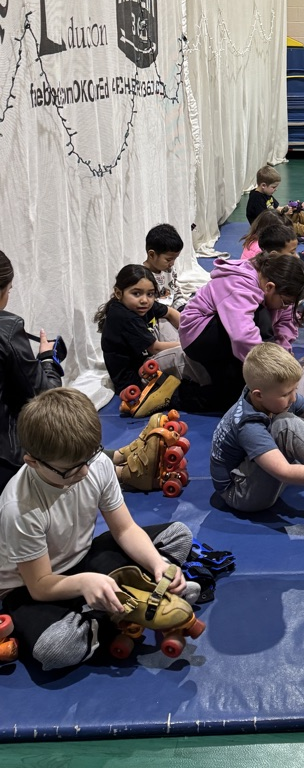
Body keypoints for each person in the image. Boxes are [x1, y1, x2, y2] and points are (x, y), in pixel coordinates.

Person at [0, 388, 195, 671]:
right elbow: (40, 585)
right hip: (30, 587)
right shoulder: (19, 507)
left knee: (178, 535)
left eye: (88, 459)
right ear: (33, 462)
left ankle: (118, 603)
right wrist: (85, 583)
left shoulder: (96, 463)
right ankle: (122, 610)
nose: (83, 473)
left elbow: (125, 529)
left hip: (82, 560)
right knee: (54, 649)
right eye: (69, 470)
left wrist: (157, 564)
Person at [210, 343, 304, 512]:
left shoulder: (267, 394)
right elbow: (284, 472)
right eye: (286, 394)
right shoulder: (248, 425)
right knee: (286, 424)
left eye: (295, 389)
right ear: (258, 395)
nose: (294, 398)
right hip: (240, 493)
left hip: (254, 471)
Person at [179, 253, 304, 412]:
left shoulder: (278, 291)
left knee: (237, 398)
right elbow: (242, 335)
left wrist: (285, 356)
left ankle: (179, 395)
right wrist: (272, 369)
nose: (286, 307)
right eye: (285, 302)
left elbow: (285, 324)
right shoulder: (239, 283)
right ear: (269, 287)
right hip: (197, 335)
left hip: (228, 338)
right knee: (261, 316)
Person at [0, 251, 63, 494]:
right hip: (8, 461)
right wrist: (47, 359)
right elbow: (46, 396)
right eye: (9, 290)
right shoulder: (8, 329)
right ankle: (118, 467)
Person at [95, 265, 187, 396]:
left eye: (150, 294)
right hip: (136, 380)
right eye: (136, 293)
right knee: (184, 354)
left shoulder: (141, 305)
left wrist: (192, 332)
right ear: (118, 293)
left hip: (147, 361)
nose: (144, 300)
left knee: (164, 319)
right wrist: (190, 344)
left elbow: (170, 312)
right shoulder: (124, 316)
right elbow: (155, 348)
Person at [245, 164, 304, 239]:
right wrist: (283, 213)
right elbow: (266, 219)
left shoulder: (266, 193)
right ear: (263, 185)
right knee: (295, 227)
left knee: (299, 214)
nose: (275, 189)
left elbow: (277, 208)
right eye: (273, 187)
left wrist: (291, 208)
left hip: (274, 222)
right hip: (265, 228)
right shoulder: (256, 199)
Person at [143, 223, 188, 314]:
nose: (172, 263)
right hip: (157, 316)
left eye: (175, 259)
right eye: (168, 259)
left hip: (173, 313)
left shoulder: (169, 270)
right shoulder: (142, 277)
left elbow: (176, 293)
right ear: (151, 254)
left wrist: (184, 308)